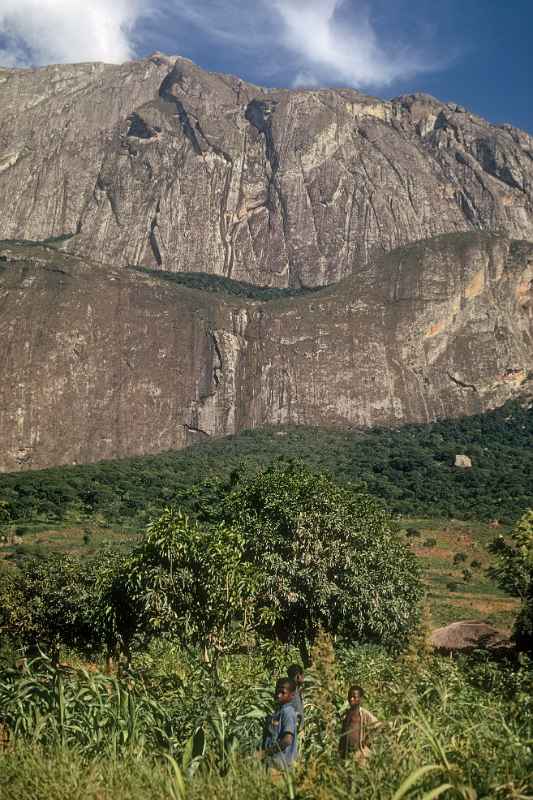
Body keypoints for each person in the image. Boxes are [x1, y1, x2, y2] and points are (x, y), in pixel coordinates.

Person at [261, 677, 299, 772]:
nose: (278, 695)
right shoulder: (278, 712)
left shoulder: (288, 712)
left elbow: (287, 740)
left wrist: (265, 753)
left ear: (292, 695)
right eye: (277, 691)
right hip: (273, 764)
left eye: (283, 693)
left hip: (281, 767)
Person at [339, 685, 381, 764]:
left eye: (354, 697)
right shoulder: (346, 715)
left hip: (360, 754)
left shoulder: (364, 714)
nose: (351, 699)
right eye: (350, 697)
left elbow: (379, 726)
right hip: (346, 755)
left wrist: (368, 741)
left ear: (360, 699)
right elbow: (343, 734)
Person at [287, 663, 305, 728]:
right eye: (303, 676)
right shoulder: (292, 692)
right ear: (298, 676)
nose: (304, 678)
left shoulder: (296, 691)